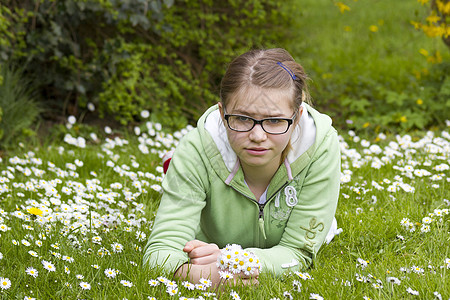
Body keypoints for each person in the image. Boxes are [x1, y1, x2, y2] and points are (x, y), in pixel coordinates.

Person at [143, 48, 341, 286]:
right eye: (243, 119)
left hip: (237, 248)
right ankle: (181, 170)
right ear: (222, 114)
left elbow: (298, 251)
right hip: (210, 237)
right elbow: (160, 251)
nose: (258, 135)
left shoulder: (320, 146)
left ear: (297, 118)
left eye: (275, 120)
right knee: (191, 163)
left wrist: (235, 261)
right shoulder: (196, 148)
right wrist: (197, 276)